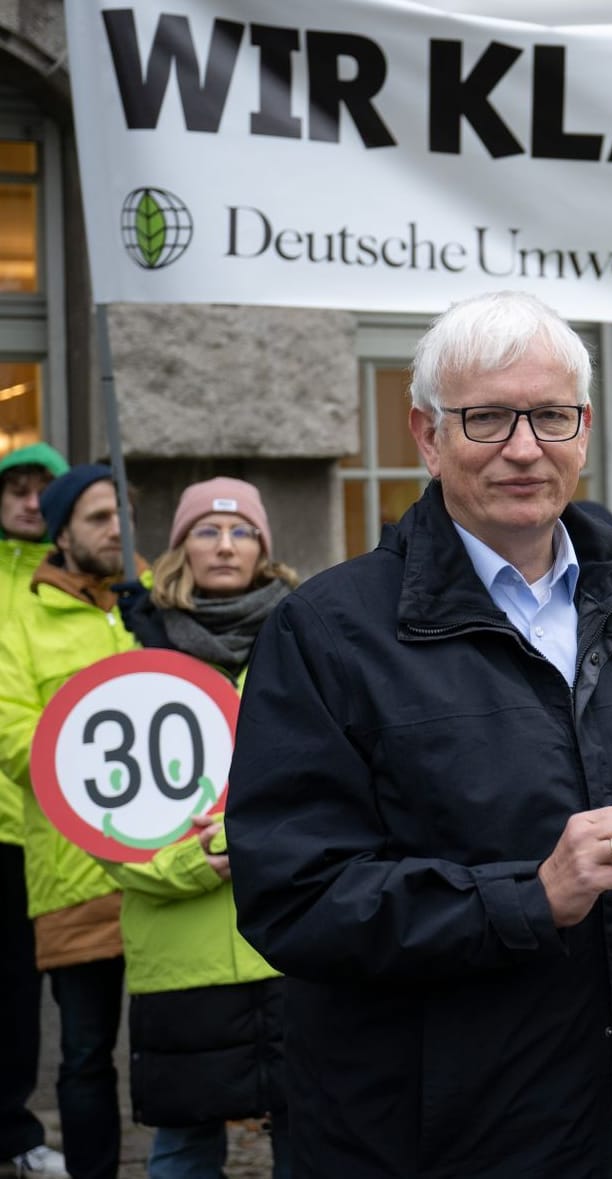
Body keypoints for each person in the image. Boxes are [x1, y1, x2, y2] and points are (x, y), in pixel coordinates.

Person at [225, 291, 612, 1177]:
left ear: (584, 430)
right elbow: (294, 897)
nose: (524, 447)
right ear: (428, 436)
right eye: (487, 418)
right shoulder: (327, 631)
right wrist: (529, 897)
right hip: (438, 1137)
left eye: (550, 416)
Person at [109, 478, 297, 1179]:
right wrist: (201, 860)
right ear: (180, 548)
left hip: (287, 945)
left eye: (241, 530)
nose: (225, 544)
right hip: (180, 955)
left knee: (306, 1132)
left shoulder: (304, 642)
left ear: (263, 548)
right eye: (207, 531)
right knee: (184, 1145)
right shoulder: (131, 659)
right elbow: (101, 822)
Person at [0, 465, 145, 1179]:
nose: (116, 526)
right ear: (61, 533)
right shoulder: (19, 617)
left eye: (121, 511)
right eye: (96, 517)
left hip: (171, 873)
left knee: (173, 1042)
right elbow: (10, 728)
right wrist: (87, 787)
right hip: (74, 866)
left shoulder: (156, 599)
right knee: (86, 1053)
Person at [0, 443, 71, 1179]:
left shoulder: (104, 577)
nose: (27, 502)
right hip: (6, 817)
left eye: (40, 489)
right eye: (15, 489)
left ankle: (15, 1132)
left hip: (64, 824)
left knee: (28, 998)